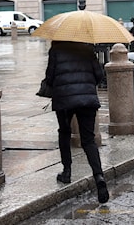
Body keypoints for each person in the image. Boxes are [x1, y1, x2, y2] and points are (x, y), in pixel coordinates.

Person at [43, 40, 109, 204]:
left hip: (64, 99)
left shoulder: (56, 49)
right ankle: (99, 176)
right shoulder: (87, 49)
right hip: (87, 99)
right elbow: (99, 75)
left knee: (64, 133)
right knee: (88, 140)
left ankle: (66, 172)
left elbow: (50, 77)